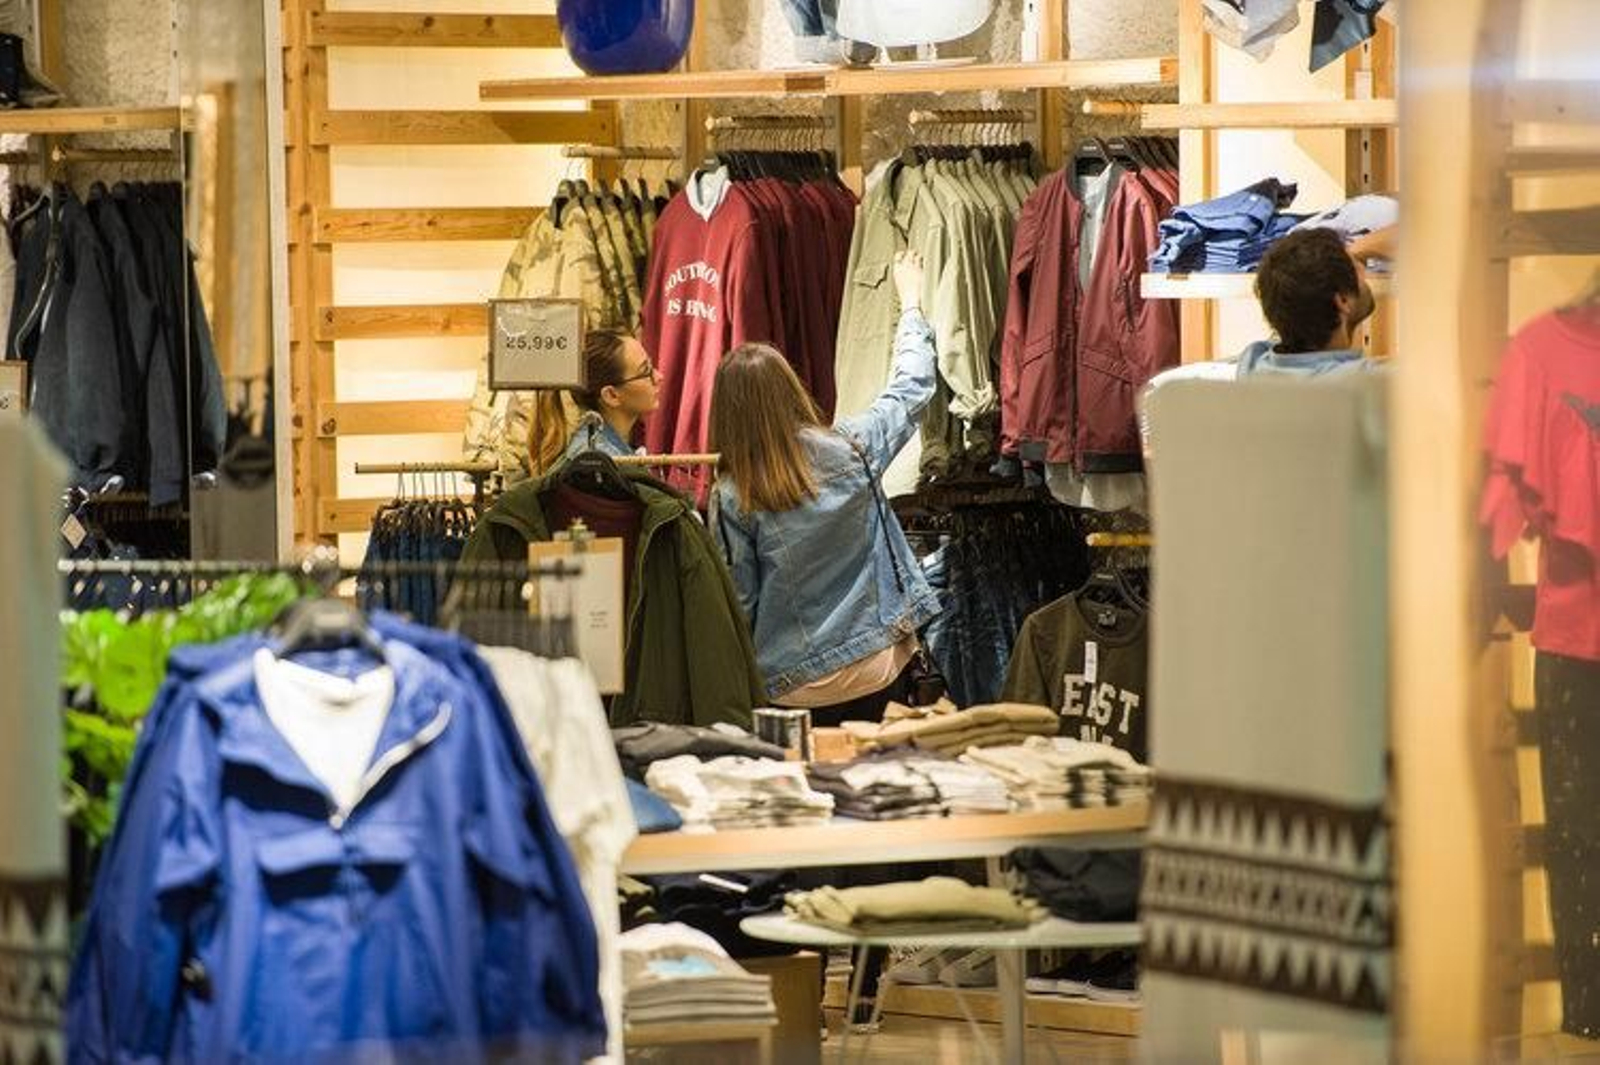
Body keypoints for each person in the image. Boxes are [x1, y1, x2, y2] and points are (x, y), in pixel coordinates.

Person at [710, 250, 940, 727]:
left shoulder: (733, 494)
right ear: (790, 388)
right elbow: (912, 387)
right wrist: (912, 303)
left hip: (792, 686)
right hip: (879, 666)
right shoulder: (853, 448)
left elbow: (741, 601)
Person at [1238, 226, 1380, 377]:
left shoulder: (1253, 362)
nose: (1364, 273)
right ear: (1343, 300)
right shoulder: (1367, 380)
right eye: (1357, 269)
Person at [529, 330, 660, 473]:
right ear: (611, 395)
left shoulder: (603, 448)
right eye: (646, 371)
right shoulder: (598, 465)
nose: (659, 376)